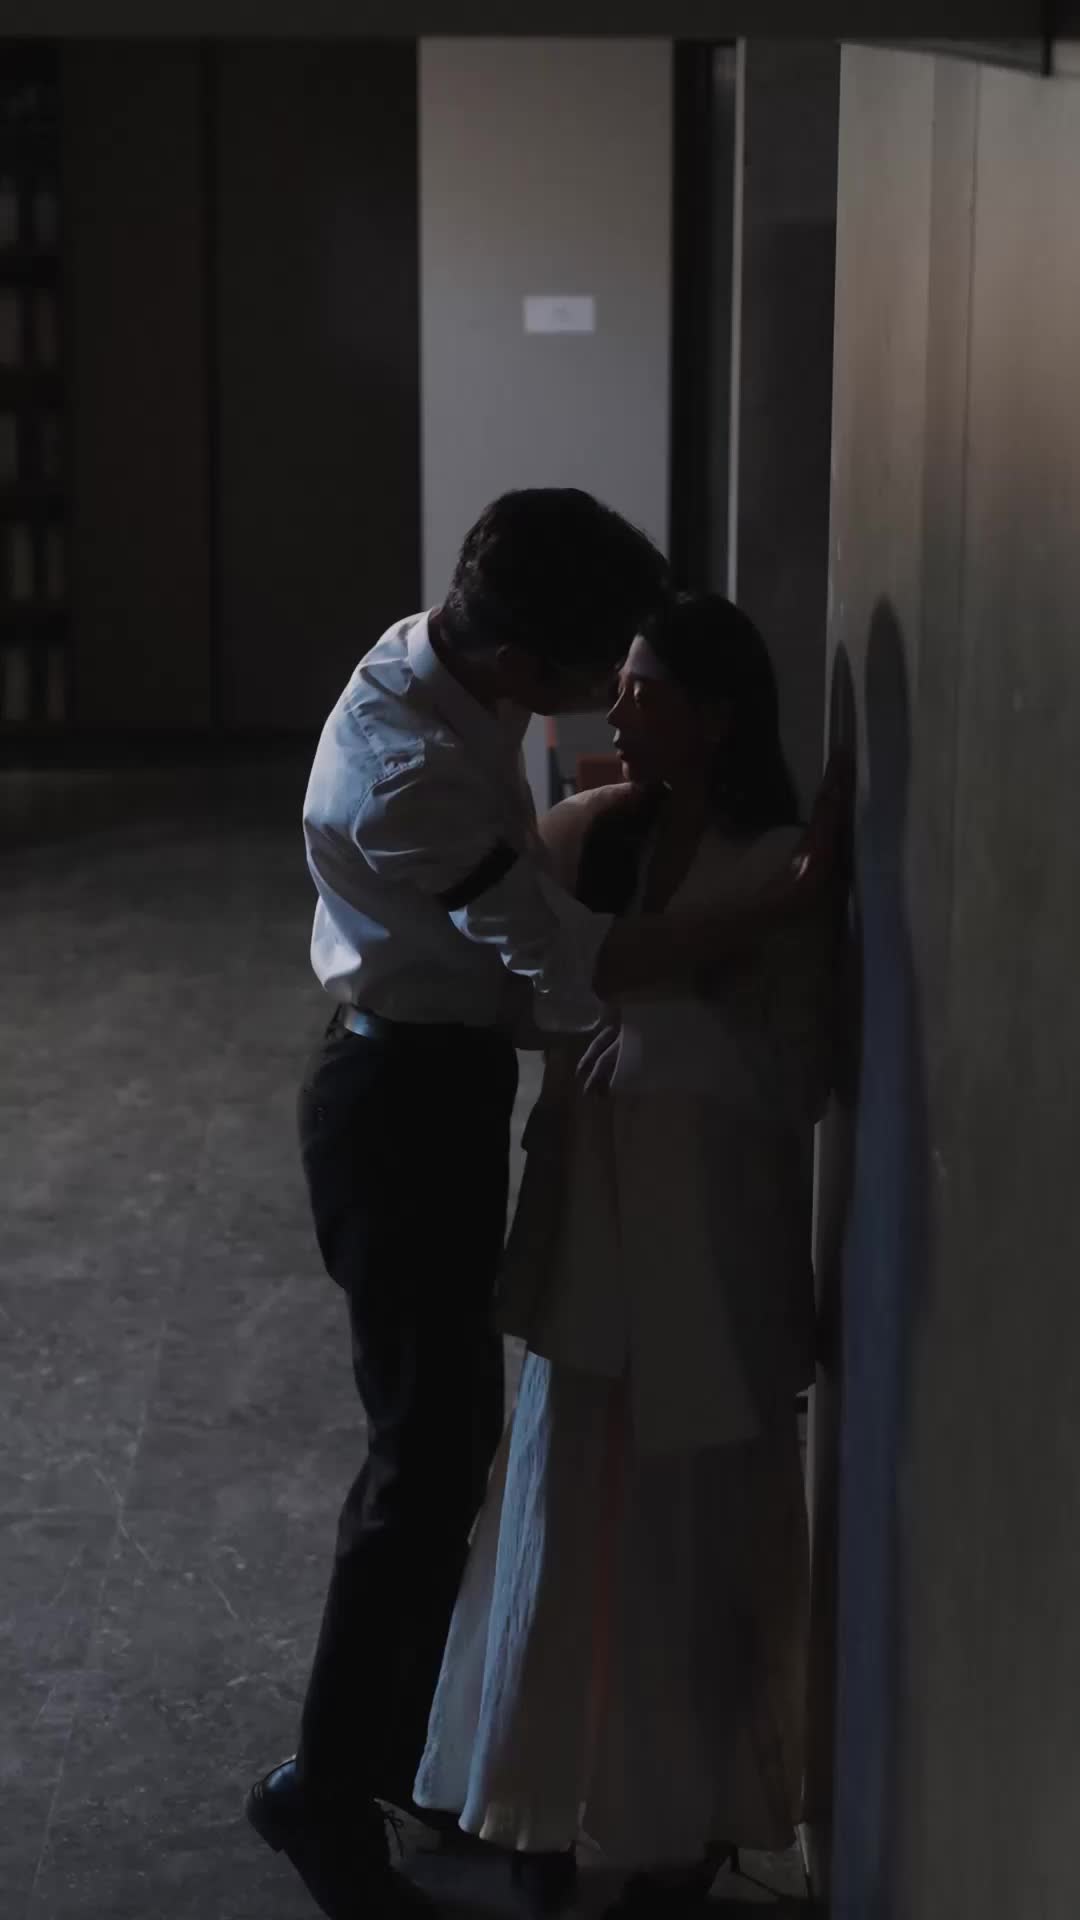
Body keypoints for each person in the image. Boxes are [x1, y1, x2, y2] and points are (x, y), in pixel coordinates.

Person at [245, 493, 844, 1920]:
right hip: (397, 1108)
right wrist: (783, 899)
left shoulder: (442, 664)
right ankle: (323, 1793)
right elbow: (576, 968)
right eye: (599, 674)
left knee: (450, 1444)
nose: (608, 707)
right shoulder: (409, 770)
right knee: (421, 1464)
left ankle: (392, 1755)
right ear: (523, 665)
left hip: (438, 1083)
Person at [412, 593, 840, 1916]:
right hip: (595, 1231)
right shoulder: (603, 837)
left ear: (715, 715)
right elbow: (527, 971)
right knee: (559, 1513)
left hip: (706, 1246)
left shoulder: (775, 862)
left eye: (645, 689)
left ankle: (684, 1821)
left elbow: (802, 1073)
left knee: (684, 1546)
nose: (618, 708)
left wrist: (672, 1043)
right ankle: (540, 1806)